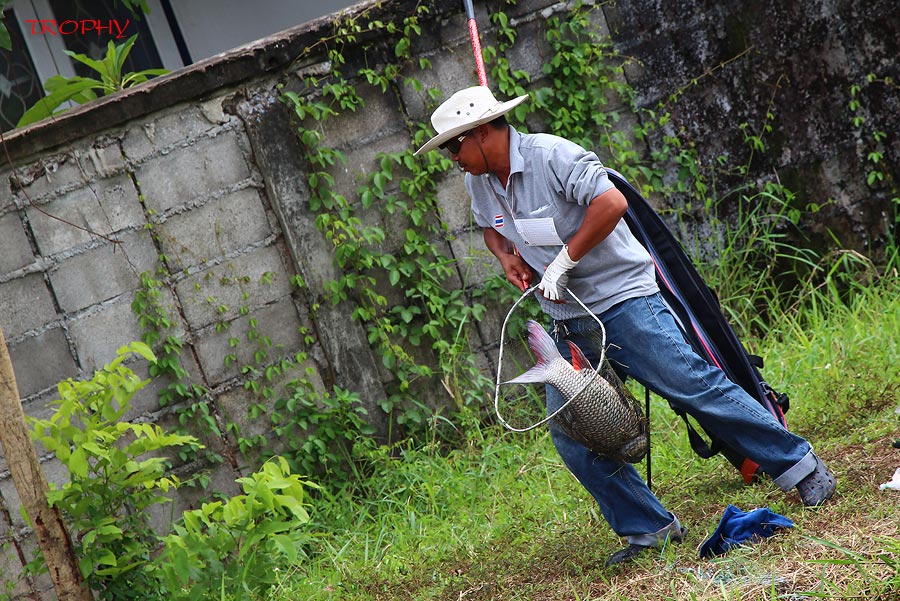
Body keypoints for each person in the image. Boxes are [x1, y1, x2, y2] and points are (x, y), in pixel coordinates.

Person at [415, 86, 837, 566]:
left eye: (455, 145)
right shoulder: (480, 181)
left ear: (483, 132)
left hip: (624, 299)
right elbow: (491, 227)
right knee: (572, 432)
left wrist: (564, 261)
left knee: (693, 387)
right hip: (568, 318)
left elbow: (610, 203)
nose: (452, 157)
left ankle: (801, 467)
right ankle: (649, 529)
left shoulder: (553, 155)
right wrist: (507, 256)